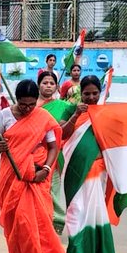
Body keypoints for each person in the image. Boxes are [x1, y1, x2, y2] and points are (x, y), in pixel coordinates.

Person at [0, 79, 68, 253]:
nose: (27, 109)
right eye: (23, 104)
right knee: (16, 225)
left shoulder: (42, 117)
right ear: (16, 100)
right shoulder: (4, 116)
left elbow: (53, 146)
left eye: (31, 105)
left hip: (37, 176)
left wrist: (46, 168)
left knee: (37, 225)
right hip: (12, 177)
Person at [60, 76, 118, 253]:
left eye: (95, 93)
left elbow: (114, 141)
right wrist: (75, 115)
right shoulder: (70, 110)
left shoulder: (106, 113)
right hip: (74, 169)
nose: (91, 97)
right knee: (75, 210)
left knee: (94, 210)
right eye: (87, 94)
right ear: (80, 93)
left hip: (97, 170)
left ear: (100, 93)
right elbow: (62, 133)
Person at [38, 70, 75, 232]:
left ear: (57, 87)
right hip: (34, 152)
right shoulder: (31, 106)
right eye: (45, 83)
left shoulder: (63, 106)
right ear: (38, 85)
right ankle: (40, 218)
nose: (48, 86)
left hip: (55, 152)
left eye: (52, 83)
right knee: (37, 188)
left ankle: (57, 220)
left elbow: (80, 114)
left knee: (53, 186)